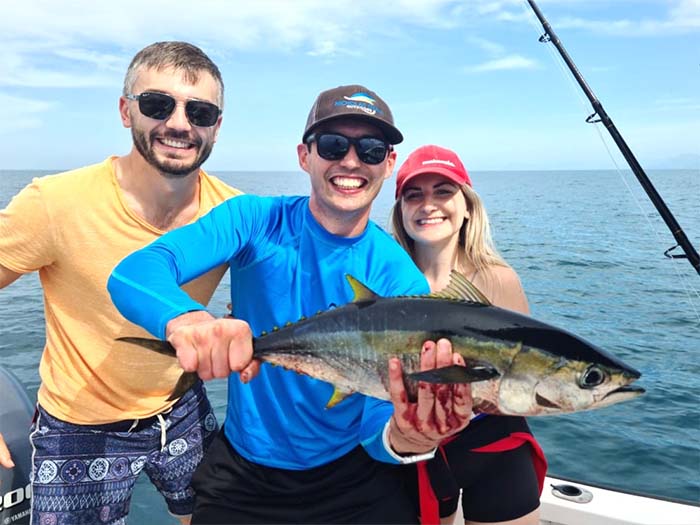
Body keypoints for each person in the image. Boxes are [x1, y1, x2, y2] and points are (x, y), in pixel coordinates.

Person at [108, 84, 472, 524]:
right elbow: (135, 272)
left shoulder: (400, 280)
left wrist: (406, 438)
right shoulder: (253, 219)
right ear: (305, 156)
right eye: (334, 145)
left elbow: (378, 416)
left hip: (353, 478)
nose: (351, 161)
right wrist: (186, 320)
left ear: (388, 165)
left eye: (371, 149)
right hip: (243, 476)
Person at [0, 41, 241, 525]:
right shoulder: (55, 202)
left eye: (199, 111)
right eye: (157, 104)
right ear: (125, 110)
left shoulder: (233, 215)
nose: (179, 124)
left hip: (181, 406)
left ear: (217, 125)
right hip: (78, 422)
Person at [391, 144, 548, 525]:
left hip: (492, 446)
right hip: (416, 450)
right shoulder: (388, 281)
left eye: (443, 191)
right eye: (414, 195)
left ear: (467, 206)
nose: (428, 204)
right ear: (401, 213)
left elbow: (525, 370)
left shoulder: (498, 278)